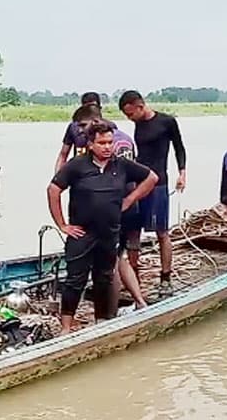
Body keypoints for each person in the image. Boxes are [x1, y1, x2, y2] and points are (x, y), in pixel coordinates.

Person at [47, 120, 157, 334]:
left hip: (109, 232)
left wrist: (130, 199)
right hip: (81, 233)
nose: (107, 147)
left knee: (104, 278)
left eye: (110, 142)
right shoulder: (78, 165)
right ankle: (66, 327)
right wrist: (62, 225)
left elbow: (152, 178)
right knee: (75, 280)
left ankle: (101, 322)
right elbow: (53, 190)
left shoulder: (121, 165)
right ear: (90, 144)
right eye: (102, 143)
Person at [70, 104, 147, 308]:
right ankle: (138, 301)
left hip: (118, 208)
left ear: (94, 122)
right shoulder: (109, 138)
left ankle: (112, 312)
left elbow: (144, 175)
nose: (80, 131)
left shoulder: (114, 141)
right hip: (114, 208)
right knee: (119, 258)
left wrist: (128, 200)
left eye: (82, 126)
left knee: (112, 264)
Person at [118, 91, 186, 296]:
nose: (129, 119)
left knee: (161, 232)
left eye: (131, 114)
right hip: (138, 181)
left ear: (140, 106)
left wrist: (182, 173)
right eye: (126, 115)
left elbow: (179, 148)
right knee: (133, 230)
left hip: (158, 183)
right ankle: (133, 277)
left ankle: (166, 278)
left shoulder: (167, 122)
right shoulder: (138, 124)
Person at [55, 91, 102, 170]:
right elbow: (63, 155)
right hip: (79, 172)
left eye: (93, 107)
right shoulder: (74, 127)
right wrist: (57, 177)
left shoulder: (108, 127)